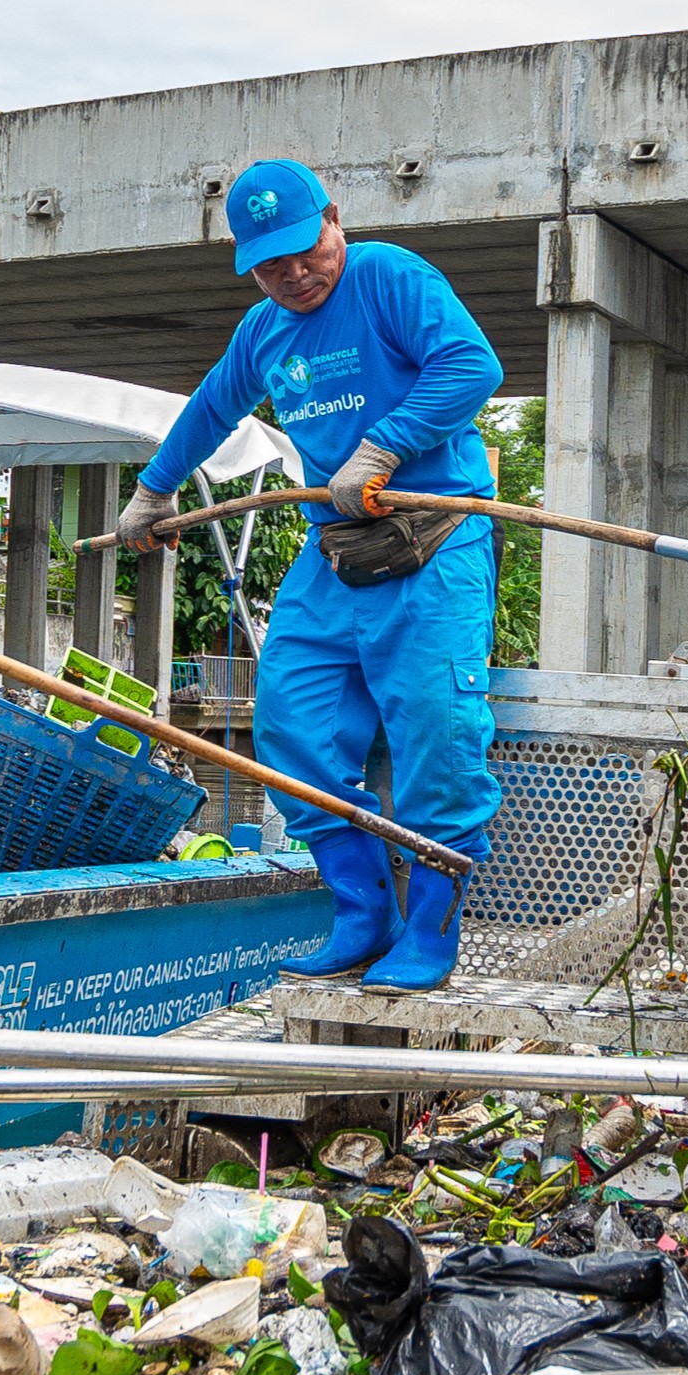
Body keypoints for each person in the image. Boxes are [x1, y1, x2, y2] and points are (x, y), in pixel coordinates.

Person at [121, 159, 504, 991]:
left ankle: (432, 932)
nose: (294, 275)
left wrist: (384, 445)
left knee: (437, 734)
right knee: (291, 725)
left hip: (435, 539)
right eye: (270, 264)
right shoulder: (263, 329)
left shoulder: (386, 276)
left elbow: (472, 367)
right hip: (336, 550)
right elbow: (212, 407)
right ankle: (363, 914)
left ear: (335, 221)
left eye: (305, 251)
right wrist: (154, 490)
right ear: (248, 264)